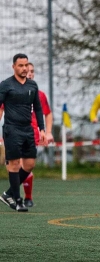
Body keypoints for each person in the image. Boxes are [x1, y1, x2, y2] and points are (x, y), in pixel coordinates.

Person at [0, 62, 54, 207]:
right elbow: (1, 109)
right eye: (26, 70)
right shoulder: (11, 89)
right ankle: (18, 199)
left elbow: (47, 113)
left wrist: (47, 132)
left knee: (28, 165)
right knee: (16, 165)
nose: (29, 72)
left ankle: (22, 196)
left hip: (32, 133)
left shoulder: (39, 93)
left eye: (31, 71)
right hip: (13, 131)